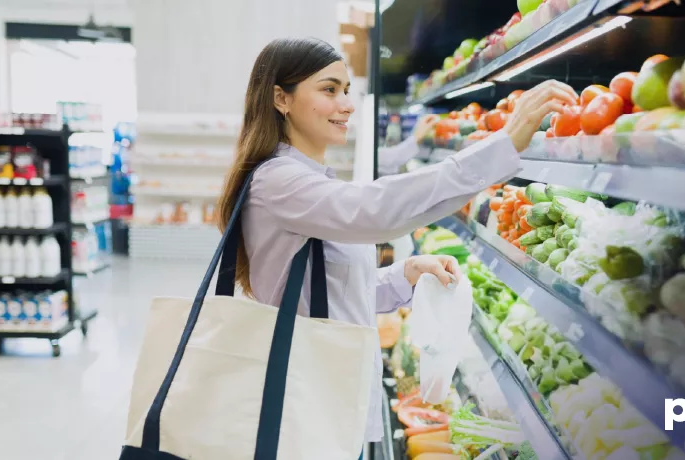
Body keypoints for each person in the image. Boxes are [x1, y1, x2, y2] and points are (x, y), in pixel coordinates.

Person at [216, 37, 577, 456]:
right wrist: (503, 144)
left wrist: (402, 276)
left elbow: (332, 297)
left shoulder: (306, 178)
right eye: (329, 90)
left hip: (320, 398)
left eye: (347, 91)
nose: (347, 105)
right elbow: (376, 209)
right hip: (303, 405)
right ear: (282, 98)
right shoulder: (279, 180)